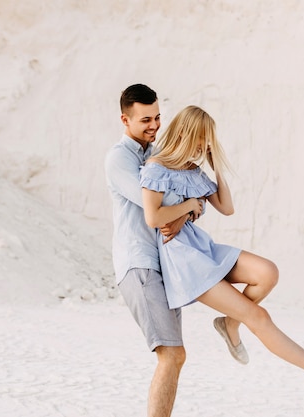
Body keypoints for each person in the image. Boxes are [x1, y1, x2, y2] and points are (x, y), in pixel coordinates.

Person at [139, 105, 304, 396]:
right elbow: (154, 218)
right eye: (201, 140)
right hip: (183, 262)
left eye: (208, 142)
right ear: (184, 133)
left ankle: (230, 324)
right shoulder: (157, 167)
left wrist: (215, 164)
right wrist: (191, 206)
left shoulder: (193, 171)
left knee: (267, 273)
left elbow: (227, 208)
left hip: (200, 247)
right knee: (260, 317)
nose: (203, 147)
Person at [105, 84, 192, 417]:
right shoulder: (118, 158)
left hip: (162, 267)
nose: (154, 125)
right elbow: (154, 204)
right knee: (171, 354)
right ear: (125, 120)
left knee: (176, 355)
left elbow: (192, 192)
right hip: (138, 263)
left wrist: (191, 205)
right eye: (145, 120)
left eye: (157, 117)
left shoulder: (155, 154)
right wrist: (188, 205)